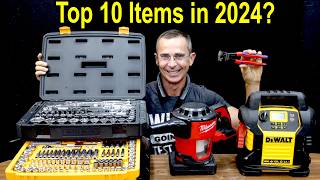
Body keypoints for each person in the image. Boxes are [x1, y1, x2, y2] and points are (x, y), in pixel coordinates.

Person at [35, 29, 263, 155]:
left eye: (179, 56)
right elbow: (88, 115)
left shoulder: (205, 98)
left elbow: (248, 125)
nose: (172, 64)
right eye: (165, 56)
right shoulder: (136, 95)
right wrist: (57, 78)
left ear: (191, 59)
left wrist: (251, 83)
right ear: (155, 59)